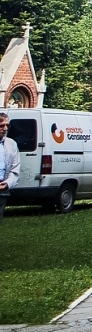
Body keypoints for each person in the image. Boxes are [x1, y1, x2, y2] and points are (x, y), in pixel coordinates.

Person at [0, 112, 17, 269]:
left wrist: (7, 184)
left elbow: (14, 169)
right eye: (2, 126)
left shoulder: (11, 144)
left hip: (2, 191)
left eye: (7, 125)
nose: (5, 128)